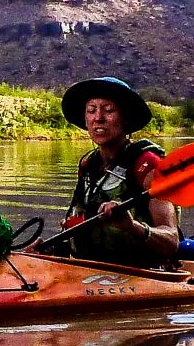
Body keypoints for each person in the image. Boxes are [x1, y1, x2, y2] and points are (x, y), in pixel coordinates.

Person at [55, 76, 182, 267]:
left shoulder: (149, 167)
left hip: (145, 274)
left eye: (109, 110)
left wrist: (132, 227)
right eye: (91, 111)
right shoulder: (88, 167)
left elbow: (172, 241)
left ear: (125, 118)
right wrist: (55, 246)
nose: (98, 118)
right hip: (91, 272)